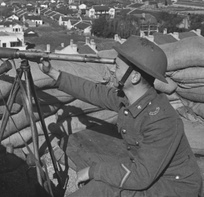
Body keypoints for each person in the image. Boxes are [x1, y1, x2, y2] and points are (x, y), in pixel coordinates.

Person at [37, 36, 203, 196]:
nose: (111, 69)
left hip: (173, 188)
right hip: (149, 174)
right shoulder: (131, 98)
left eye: (117, 67)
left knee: (101, 188)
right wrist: (53, 73)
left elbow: (140, 176)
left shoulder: (161, 120)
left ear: (135, 77)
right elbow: (94, 92)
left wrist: (93, 172)